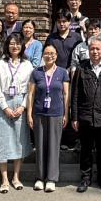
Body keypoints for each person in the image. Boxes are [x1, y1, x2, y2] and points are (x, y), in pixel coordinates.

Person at [70, 36, 101, 193]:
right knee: (86, 149)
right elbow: (75, 94)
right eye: (92, 49)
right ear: (88, 51)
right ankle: (85, 178)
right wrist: (74, 117)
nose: (95, 51)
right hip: (85, 116)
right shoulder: (81, 68)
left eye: (98, 49)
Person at [0, 33, 34, 193]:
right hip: (5, 103)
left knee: (19, 140)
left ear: (22, 46)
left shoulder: (27, 65)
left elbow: (30, 89)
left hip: (21, 102)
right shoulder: (1, 64)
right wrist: (4, 107)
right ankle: (4, 179)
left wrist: (23, 106)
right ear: (7, 46)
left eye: (18, 44)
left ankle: (16, 177)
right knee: (2, 140)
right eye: (12, 43)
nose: (15, 46)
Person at [27, 44, 70, 192]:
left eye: (52, 53)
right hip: (39, 113)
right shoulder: (36, 72)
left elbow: (66, 94)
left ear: (56, 56)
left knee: (54, 146)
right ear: (42, 55)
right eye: (46, 53)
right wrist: (29, 114)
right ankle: (39, 177)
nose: (49, 56)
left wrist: (66, 114)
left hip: (56, 113)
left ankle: (51, 179)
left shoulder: (62, 72)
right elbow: (31, 94)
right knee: (40, 146)